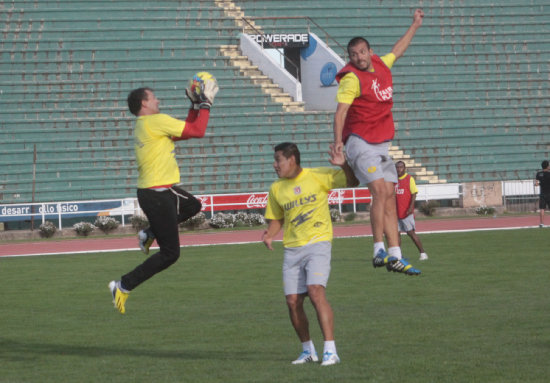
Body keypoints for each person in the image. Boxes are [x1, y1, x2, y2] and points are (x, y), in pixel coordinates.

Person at [108, 76, 219, 314]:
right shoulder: (155, 121)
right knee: (170, 254)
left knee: (193, 206)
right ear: (144, 104)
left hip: (159, 191)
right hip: (157, 193)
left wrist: (194, 106)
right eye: (153, 97)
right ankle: (123, 285)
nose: (158, 100)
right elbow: (198, 131)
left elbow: (186, 132)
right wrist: (206, 103)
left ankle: (149, 233)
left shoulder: (146, 124)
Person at [332, 9, 425, 276]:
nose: (358, 57)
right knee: (378, 191)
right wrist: (338, 142)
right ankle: (377, 250)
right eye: (353, 54)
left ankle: (395, 255)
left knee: (389, 197)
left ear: (370, 51)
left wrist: (415, 25)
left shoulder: (382, 64)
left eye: (361, 52)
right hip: (359, 142)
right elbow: (340, 112)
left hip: (380, 144)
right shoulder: (351, 79)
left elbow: (398, 49)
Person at [262, 142, 358, 366]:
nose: (274, 164)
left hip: (318, 243)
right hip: (292, 249)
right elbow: (277, 218)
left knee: (315, 292)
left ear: (292, 159)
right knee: (293, 301)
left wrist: (343, 165)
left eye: (278, 159)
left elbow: (353, 181)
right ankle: (308, 351)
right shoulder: (277, 188)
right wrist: (270, 235)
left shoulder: (318, 176)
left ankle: (330, 350)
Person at [395, 161, 428, 261]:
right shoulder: (394, 180)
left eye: (401, 167)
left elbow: (414, 193)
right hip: (396, 213)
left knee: (411, 233)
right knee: (396, 234)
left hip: (406, 212)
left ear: (404, 168)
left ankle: (423, 253)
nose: (399, 169)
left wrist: (410, 207)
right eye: (397, 167)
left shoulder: (409, 179)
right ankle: (398, 256)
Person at [535, 160, 550, 228]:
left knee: (542, 208)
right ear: (547, 166)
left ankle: (541, 223)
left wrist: (540, 183)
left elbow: (536, 183)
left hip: (542, 194)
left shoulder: (539, 174)